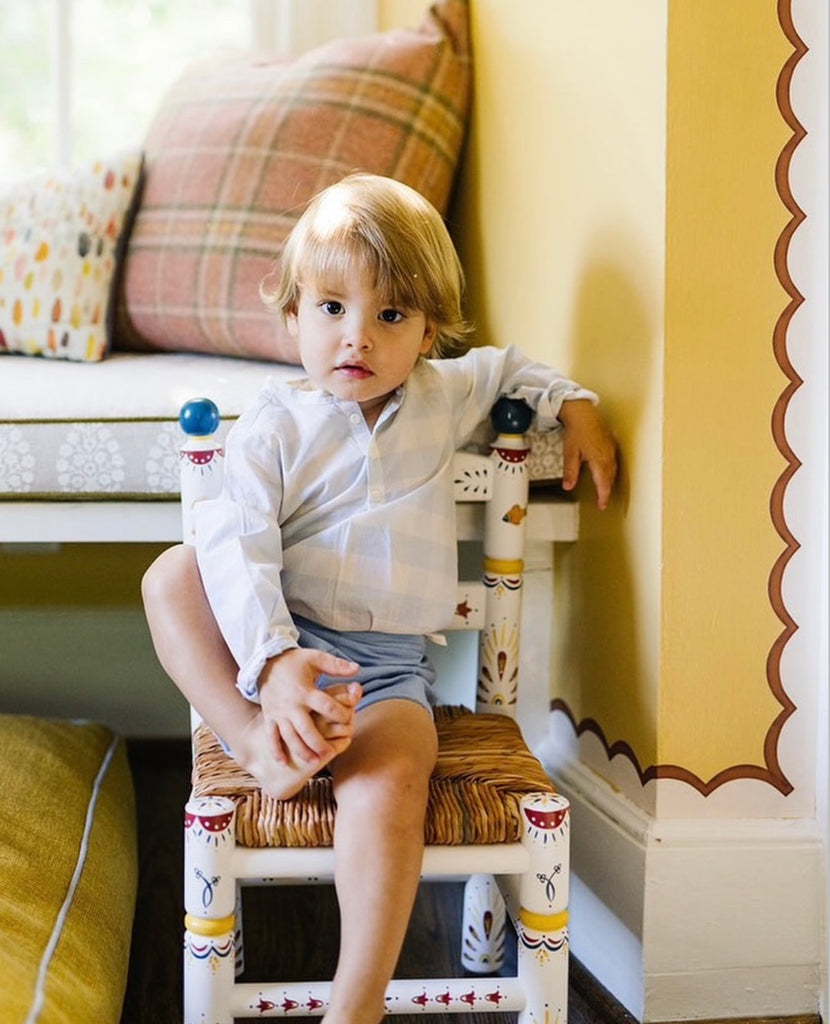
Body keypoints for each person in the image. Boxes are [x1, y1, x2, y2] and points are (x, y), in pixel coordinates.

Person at [142, 172, 617, 1024]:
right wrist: (274, 664)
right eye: (332, 308)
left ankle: (355, 1004)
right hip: (279, 654)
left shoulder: (442, 397)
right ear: (293, 316)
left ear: (428, 331)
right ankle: (257, 744)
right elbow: (236, 545)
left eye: (391, 314)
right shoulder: (274, 425)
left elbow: (509, 367)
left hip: (385, 676)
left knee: (393, 787)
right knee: (172, 575)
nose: (357, 335)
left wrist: (572, 404)